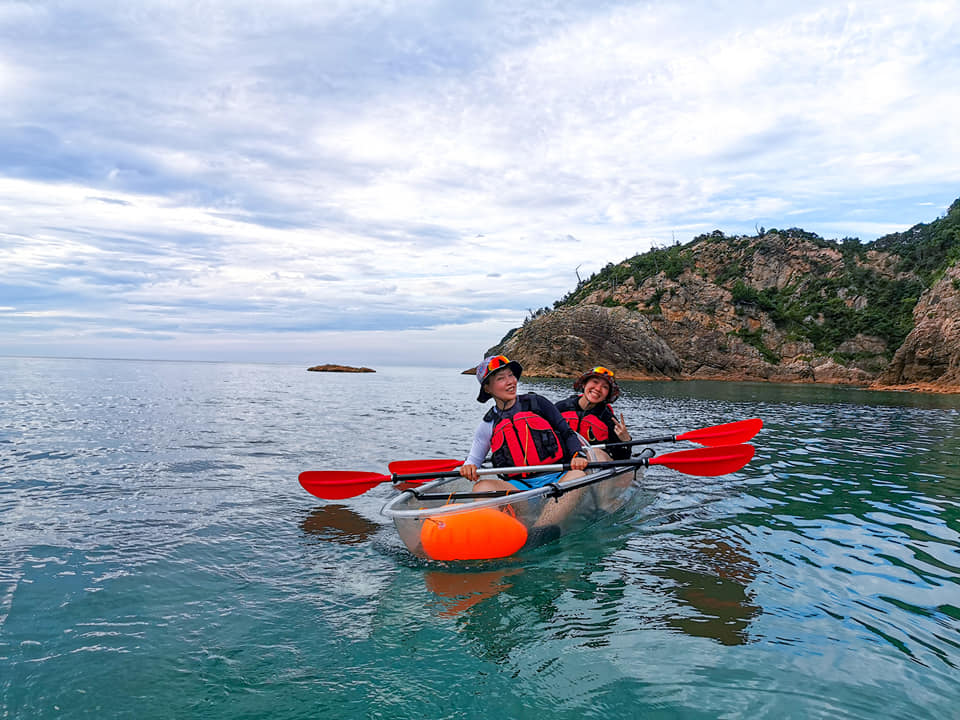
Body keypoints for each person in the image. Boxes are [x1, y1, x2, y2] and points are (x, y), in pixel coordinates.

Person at [459, 355, 588, 493]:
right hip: (520, 487)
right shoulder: (488, 423)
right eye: (501, 378)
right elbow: (473, 460)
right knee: (481, 488)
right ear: (487, 388)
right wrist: (468, 467)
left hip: (559, 477)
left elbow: (567, 432)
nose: (510, 382)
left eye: (511, 375)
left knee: (578, 476)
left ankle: (544, 514)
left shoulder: (538, 403)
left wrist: (578, 454)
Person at [555, 366, 632, 460]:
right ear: (584, 384)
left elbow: (622, 457)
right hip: (564, 461)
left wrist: (626, 441)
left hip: (594, 466)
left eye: (605, 387)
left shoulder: (608, 419)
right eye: (595, 382)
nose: (598, 389)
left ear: (607, 395)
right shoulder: (561, 408)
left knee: (596, 452)